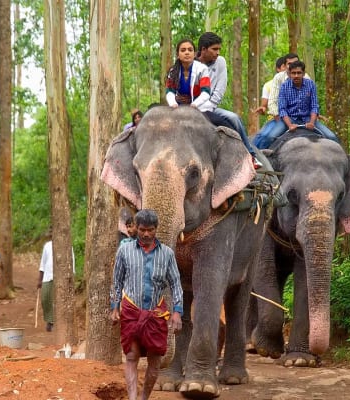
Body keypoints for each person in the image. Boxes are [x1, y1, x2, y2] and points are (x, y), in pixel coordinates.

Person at [109, 209, 183, 400]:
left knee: (155, 359)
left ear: (156, 229)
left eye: (150, 230)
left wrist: (177, 311)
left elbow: (176, 283)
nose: (146, 234)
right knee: (131, 356)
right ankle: (133, 398)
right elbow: (116, 281)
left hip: (156, 314)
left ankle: (144, 398)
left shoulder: (167, 254)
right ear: (135, 228)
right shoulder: (124, 250)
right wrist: (114, 306)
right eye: (142, 230)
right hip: (131, 310)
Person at [196, 32, 262, 168]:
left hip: (210, 107)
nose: (217, 53)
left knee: (233, 118)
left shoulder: (220, 62)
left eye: (219, 49)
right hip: (191, 108)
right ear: (203, 49)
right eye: (214, 49)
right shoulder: (191, 65)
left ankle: (249, 156)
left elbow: (220, 88)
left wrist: (209, 106)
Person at [37, 238, 76, 332]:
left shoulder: (68, 246)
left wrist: (71, 276)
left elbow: (72, 262)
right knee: (45, 298)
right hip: (47, 276)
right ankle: (49, 320)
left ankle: (58, 322)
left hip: (62, 277)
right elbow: (43, 264)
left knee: (61, 300)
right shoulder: (47, 245)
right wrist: (40, 279)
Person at [252, 57, 288, 149]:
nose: (288, 68)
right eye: (285, 66)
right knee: (263, 136)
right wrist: (262, 109)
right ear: (278, 69)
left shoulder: (300, 82)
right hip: (276, 119)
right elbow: (264, 105)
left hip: (295, 117)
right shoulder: (268, 85)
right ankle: (254, 156)